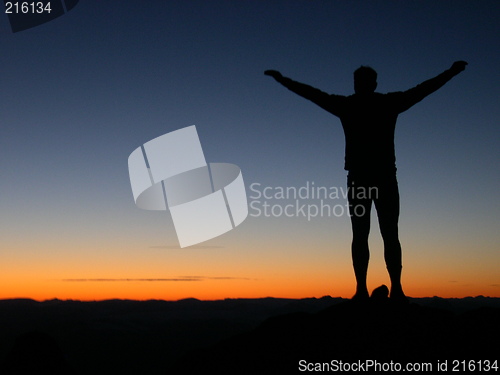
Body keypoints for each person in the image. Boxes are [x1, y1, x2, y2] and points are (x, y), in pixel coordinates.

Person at [264, 61, 467, 301]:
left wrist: (282, 79)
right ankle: (386, 289)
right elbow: (423, 90)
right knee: (382, 234)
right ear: (372, 83)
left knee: (370, 234)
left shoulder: (352, 105)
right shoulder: (383, 103)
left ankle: (376, 289)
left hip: (365, 179)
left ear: (365, 83)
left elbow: (313, 94)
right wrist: (451, 72)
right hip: (380, 178)